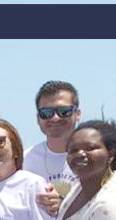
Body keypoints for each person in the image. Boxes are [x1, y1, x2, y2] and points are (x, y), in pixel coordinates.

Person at [23, 81, 80, 209]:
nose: (54, 118)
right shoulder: (24, 161)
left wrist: (64, 204)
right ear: (38, 118)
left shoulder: (93, 157)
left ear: (78, 114)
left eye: (64, 111)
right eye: (46, 113)